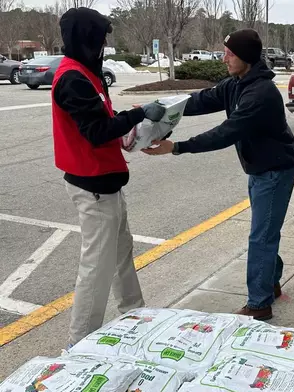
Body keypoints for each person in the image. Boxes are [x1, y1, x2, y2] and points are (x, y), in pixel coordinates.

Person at [143, 28, 294, 321]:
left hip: (275, 171)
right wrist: (158, 109)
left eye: (230, 53)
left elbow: (225, 133)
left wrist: (176, 147)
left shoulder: (261, 94)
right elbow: (200, 100)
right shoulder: (237, 83)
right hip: (260, 169)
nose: (224, 58)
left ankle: (259, 303)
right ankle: (270, 282)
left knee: (261, 236)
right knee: (264, 232)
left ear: (247, 58)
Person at [52, 7, 166, 346]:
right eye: (101, 37)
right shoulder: (72, 79)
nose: (104, 44)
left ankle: (135, 312)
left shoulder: (89, 73)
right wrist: (137, 113)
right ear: (87, 38)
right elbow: (96, 131)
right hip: (92, 187)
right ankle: (79, 342)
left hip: (108, 182)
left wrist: (131, 133)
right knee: (97, 267)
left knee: (121, 255)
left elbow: (105, 119)